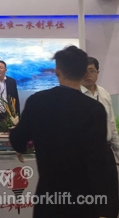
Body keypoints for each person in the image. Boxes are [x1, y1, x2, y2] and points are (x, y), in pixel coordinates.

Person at [10, 46, 117, 218]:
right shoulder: (94, 109)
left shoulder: (37, 101)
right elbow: (98, 160)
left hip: (49, 197)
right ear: (84, 72)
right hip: (84, 200)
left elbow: (18, 140)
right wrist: (104, 208)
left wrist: (22, 144)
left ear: (57, 71)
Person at [81, 56, 119, 159]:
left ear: (97, 73)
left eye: (91, 71)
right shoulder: (75, 95)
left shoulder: (104, 93)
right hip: (84, 152)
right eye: (84, 71)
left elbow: (111, 124)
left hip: (105, 149)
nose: (87, 74)